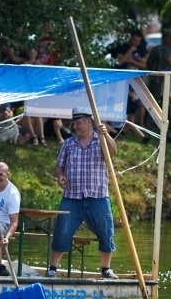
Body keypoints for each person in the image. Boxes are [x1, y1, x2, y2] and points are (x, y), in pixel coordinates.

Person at [47, 107, 119, 279]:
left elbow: (113, 152)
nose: (75, 126)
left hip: (98, 196)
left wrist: (106, 135)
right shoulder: (69, 143)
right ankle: (53, 268)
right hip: (72, 196)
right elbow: (59, 166)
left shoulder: (100, 140)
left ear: (89, 122)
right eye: (73, 123)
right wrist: (59, 176)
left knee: (106, 231)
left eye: (78, 123)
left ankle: (106, 269)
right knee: (62, 230)